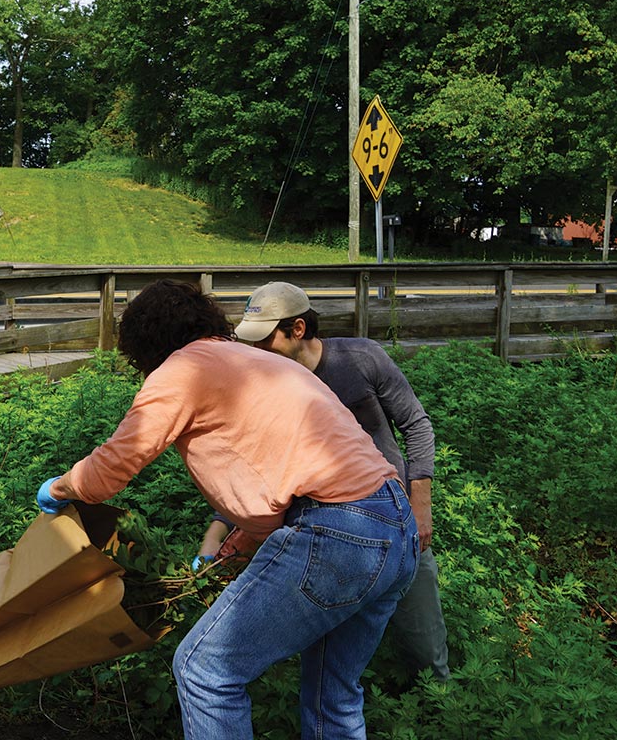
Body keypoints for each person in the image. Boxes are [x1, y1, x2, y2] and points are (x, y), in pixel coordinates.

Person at [36, 279, 419, 740]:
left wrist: (60, 489)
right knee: (331, 697)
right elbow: (287, 482)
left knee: (204, 669)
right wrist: (234, 548)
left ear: (146, 344)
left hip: (339, 532)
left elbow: (113, 466)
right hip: (396, 529)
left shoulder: (183, 369)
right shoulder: (260, 362)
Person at [210, 280, 450, 682]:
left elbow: (416, 425)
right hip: (321, 539)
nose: (255, 352)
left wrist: (419, 506)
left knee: (424, 645)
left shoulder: (360, 359)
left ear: (298, 330)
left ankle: (440, 707)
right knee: (330, 664)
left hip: (395, 521)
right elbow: (252, 467)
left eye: (264, 340)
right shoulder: (263, 385)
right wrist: (220, 531)